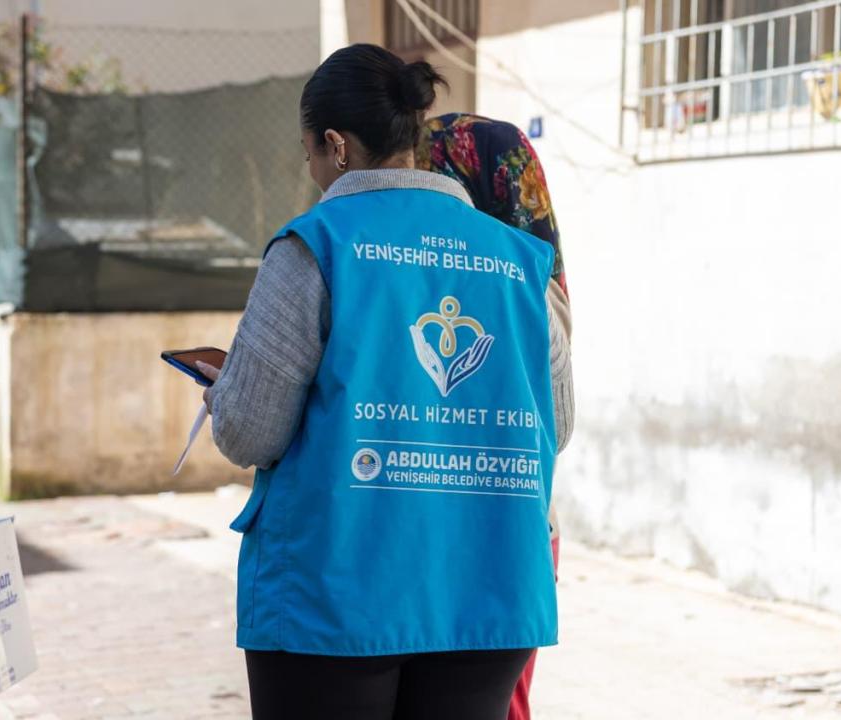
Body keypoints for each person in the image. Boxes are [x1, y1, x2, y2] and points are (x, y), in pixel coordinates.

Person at [194, 44, 574, 719]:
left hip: (337, 598)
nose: (311, 170)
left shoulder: (316, 245)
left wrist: (228, 393)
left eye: (308, 153)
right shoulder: (521, 261)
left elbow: (250, 433)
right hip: (489, 594)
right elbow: (558, 424)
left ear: (335, 144)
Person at [419, 112, 573, 720]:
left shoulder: (382, 266)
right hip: (518, 524)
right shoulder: (532, 281)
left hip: (422, 527)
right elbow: (559, 427)